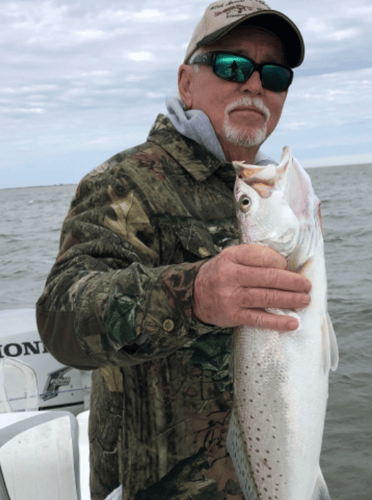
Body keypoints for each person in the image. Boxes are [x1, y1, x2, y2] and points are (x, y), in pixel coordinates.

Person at [36, 1, 311, 499]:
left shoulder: (279, 197)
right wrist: (193, 295)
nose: (254, 84)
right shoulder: (125, 181)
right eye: (232, 65)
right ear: (187, 82)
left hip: (271, 477)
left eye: (274, 73)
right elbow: (61, 318)